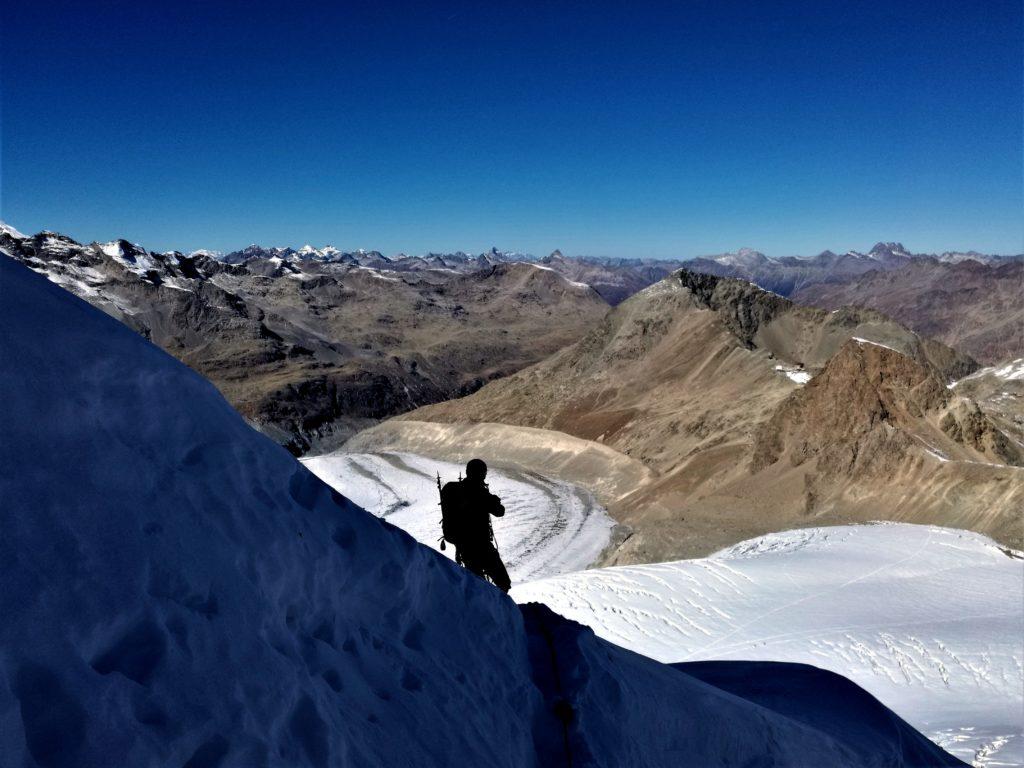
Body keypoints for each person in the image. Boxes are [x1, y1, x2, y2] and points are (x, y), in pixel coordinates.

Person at [440, 458, 511, 593]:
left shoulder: (454, 489)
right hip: (481, 545)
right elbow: (499, 511)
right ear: (481, 473)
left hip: (462, 546)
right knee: (503, 582)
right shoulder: (480, 492)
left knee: (476, 584)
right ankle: (498, 611)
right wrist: (494, 500)